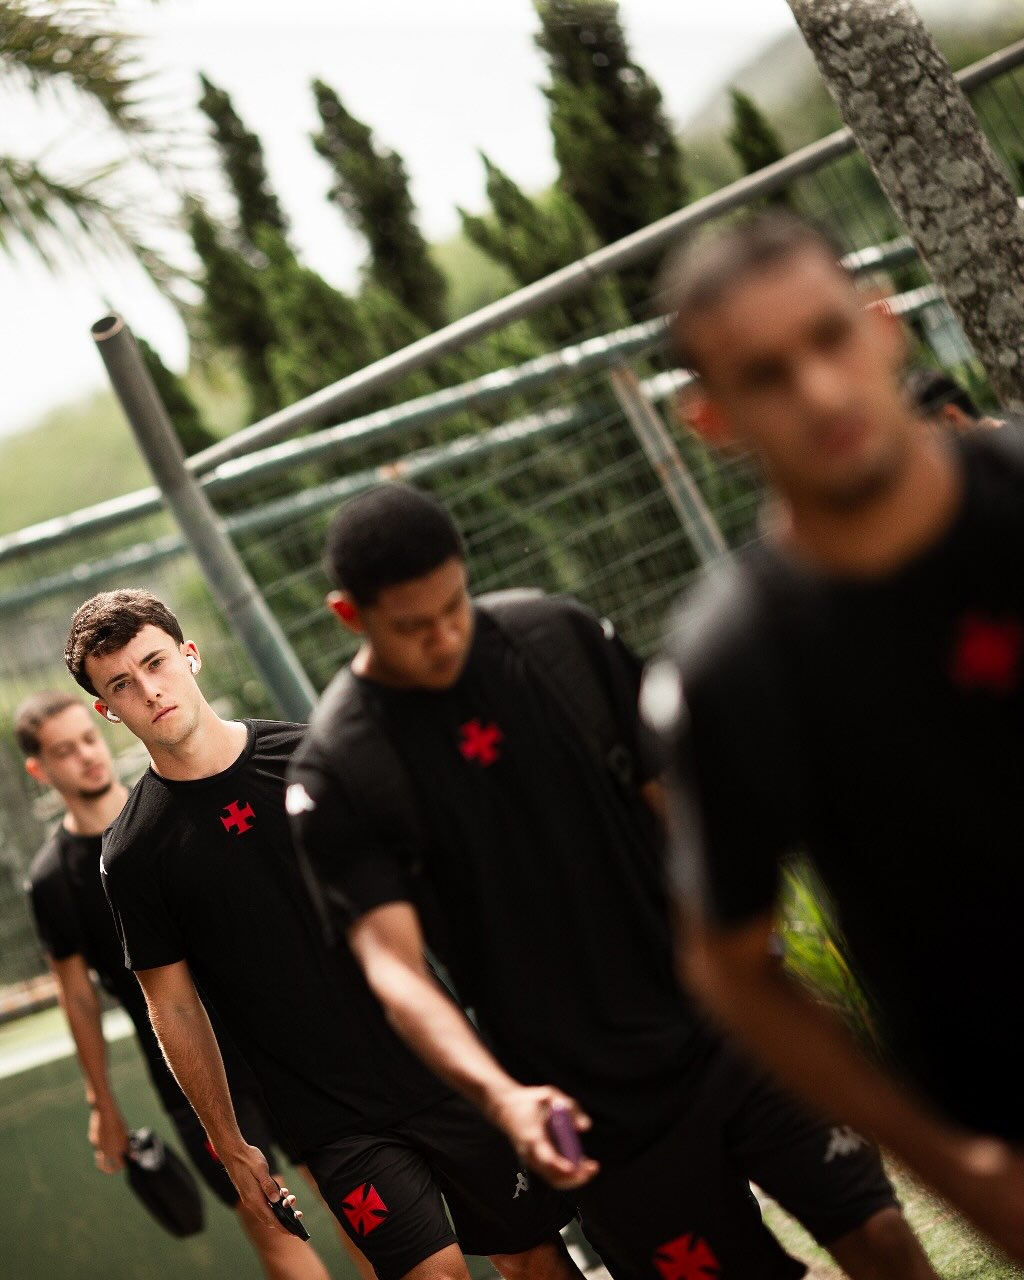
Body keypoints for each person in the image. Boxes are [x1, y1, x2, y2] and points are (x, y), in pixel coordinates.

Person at [286, 483, 937, 1280]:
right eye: (412, 627)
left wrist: (758, 953)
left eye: (454, 605)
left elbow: (679, 809)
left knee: (880, 1232)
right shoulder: (343, 766)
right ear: (349, 616)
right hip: (593, 1107)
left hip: (729, 1023)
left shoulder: (554, 638)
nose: (445, 636)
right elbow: (396, 972)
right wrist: (501, 1097)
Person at [648, 209, 1024, 1264]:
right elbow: (729, 963)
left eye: (828, 338)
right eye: (766, 375)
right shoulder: (732, 669)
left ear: (881, 325)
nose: (818, 391)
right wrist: (959, 1169)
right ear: (711, 419)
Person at [63, 589, 579, 1280]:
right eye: (122, 684)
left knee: (533, 1260)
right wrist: (229, 1142)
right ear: (107, 710)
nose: (149, 690)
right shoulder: (133, 854)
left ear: (190, 656)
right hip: (333, 1123)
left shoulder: (312, 756)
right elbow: (173, 1007)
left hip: (440, 1064)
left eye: (155, 662)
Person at [17, 689, 333, 1280]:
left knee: (349, 1194)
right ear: (40, 770)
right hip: (190, 1078)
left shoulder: (169, 811)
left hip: (269, 1039)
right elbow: (77, 997)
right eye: (64, 751)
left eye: (88, 739)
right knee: (270, 1222)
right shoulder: (53, 880)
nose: (87, 756)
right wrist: (102, 1104)